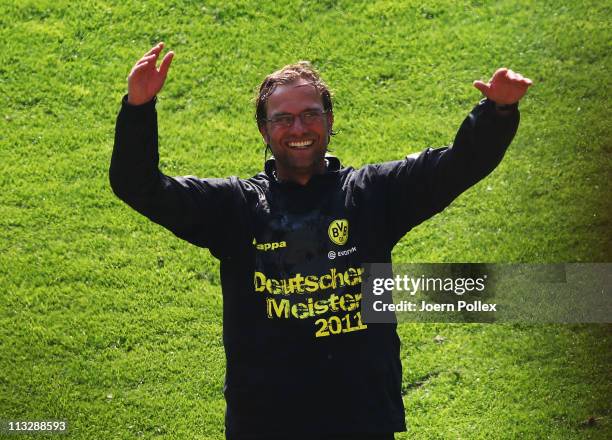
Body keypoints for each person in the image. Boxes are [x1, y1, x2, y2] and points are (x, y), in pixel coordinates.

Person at [110, 42, 532, 440]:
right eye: (283, 118)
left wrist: (497, 110)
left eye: (311, 114)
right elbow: (139, 186)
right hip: (265, 423)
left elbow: (458, 165)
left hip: (362, 419)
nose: (299, 128)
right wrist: (139, 108)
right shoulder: (235, 208)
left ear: (330, 121)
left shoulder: (372, 195)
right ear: (264, 129)